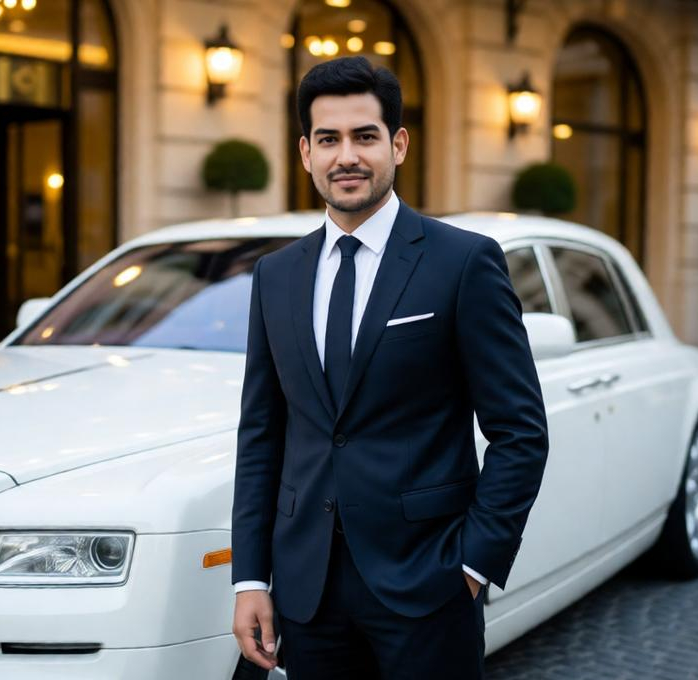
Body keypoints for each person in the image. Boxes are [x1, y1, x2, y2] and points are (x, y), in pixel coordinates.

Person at [231, 56, 549, 679]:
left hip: (428, 586)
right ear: (305, 153)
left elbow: (520, 431)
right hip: (305, 592)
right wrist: (250, 578)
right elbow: (262, 434)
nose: (345, 156)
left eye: (364, 136)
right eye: (328, 139)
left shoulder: (462, 263)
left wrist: (472, 565)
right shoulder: (276, 275)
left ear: (398, 144)